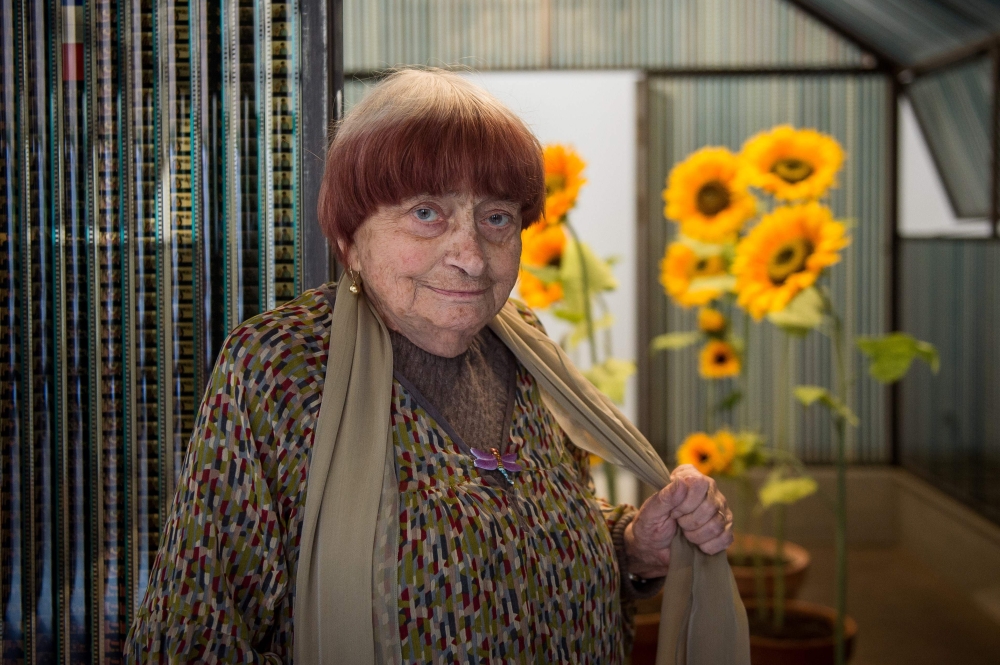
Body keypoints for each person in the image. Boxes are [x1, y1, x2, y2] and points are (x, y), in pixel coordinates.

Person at [124, 68, 737, 664]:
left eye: (496, 217)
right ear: (349, 238)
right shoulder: (280, 369)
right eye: (426, 213)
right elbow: (191, 640)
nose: (470, 256)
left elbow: (523, 534)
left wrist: (632, 548)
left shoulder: (521, 348)